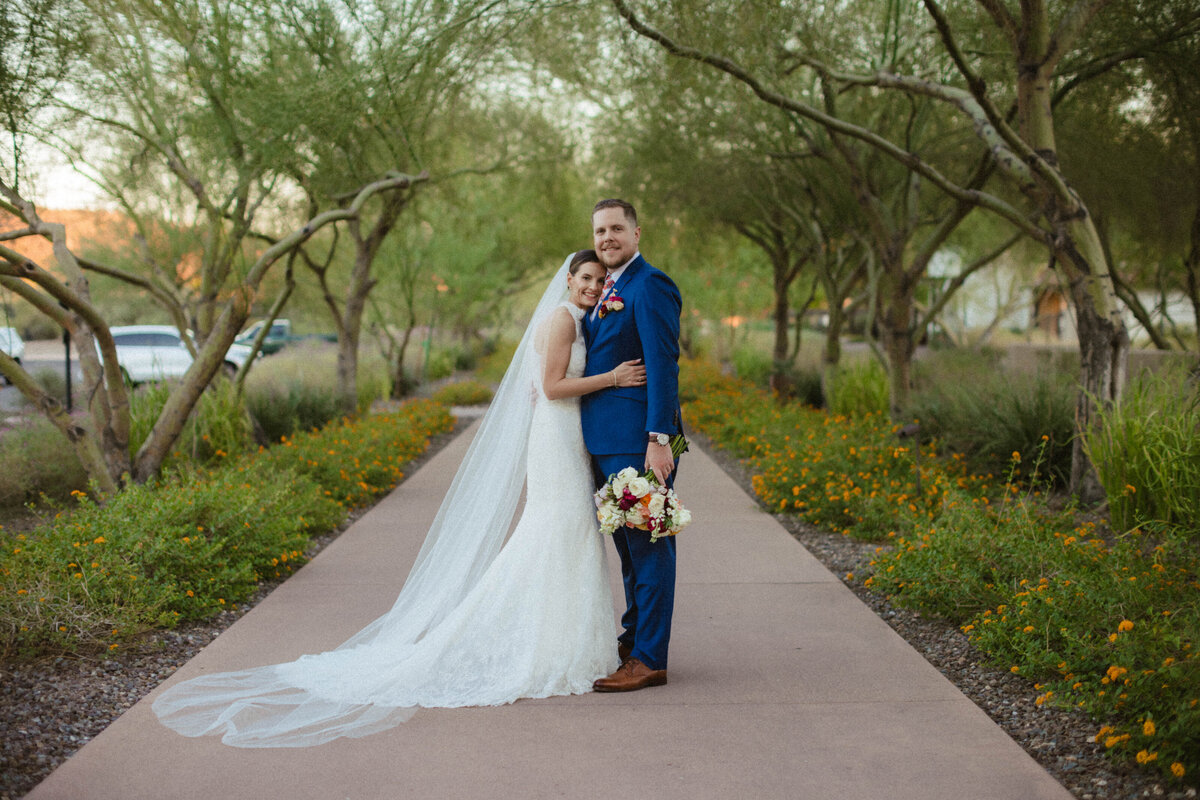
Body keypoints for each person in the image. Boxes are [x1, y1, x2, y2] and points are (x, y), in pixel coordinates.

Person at [152, 250, 645, 747]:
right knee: (556, 528)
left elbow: (543, 384)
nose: (593, 285)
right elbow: (553, 386)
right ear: (569, 278)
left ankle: (560, 639)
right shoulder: (562, 320)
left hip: (563, 436)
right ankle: (542, 643)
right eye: (586, 277)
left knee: (564, 531)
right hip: (556, 437)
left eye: (600, 279)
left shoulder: (577, 319)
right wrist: (614, 378)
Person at [581, 199, 683, 693]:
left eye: (616, 228)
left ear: (636, 233)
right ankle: (634, 639)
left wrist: (660, 440)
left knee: (650, 546)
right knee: (628, 548)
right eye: (600, 230)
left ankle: (649, 659)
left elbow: (663, 365)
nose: (607, 238)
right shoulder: (608, 288)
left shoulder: (651, 284)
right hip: (608, 440)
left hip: (641, 442)